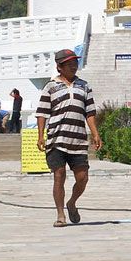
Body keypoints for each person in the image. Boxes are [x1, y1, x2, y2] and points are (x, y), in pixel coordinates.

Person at [35, 48, 100, 226]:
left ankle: (71, 203)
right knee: (59, 175)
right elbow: (42, 113)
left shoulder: (84, 86)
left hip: (78, 139)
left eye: (75, 63)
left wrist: (95, 133)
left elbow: (90, 112)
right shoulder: (50, 86)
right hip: (56, 138)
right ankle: (60, 214)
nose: (73, 66)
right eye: (69, 64)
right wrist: (40, 136)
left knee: (82, 177)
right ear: (59, 67)